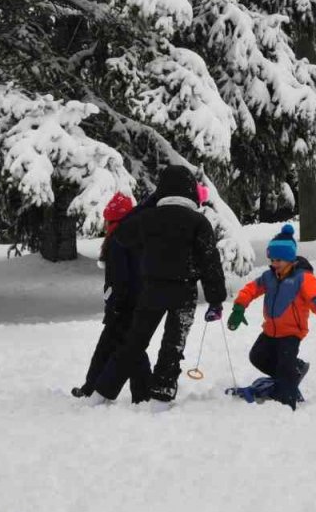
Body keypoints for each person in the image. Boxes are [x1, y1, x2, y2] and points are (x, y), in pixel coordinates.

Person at [89, 165, 227, 403]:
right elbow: (210, 262)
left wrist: (146, 207)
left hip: (152, 290)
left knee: (134, 342)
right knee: (173, 346)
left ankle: (102, 392)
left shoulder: (147, 218)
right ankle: (162, 393)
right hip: (184, 292)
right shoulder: (198, 222)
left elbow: (121, 235)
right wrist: (216, 299)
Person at [226, 223, 316, 410]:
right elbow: (251, 289)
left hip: (291, 333)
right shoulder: (269, 277)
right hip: (270, 330)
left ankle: (286, 402)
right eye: (272, 260)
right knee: (257, 356)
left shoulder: (303, 278)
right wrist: (239, 307)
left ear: (290, 259)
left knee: (284, 368)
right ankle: (294, 371)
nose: (274, 264)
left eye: (279, 260)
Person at [71, 191, 143, 399]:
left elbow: (119, 278)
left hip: (123, 305)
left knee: (111, 348)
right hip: (134, 303)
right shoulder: (136, 236)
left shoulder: (118, 239)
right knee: (130, 348)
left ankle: (93, 388)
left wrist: (115, 305)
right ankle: (141, 391)